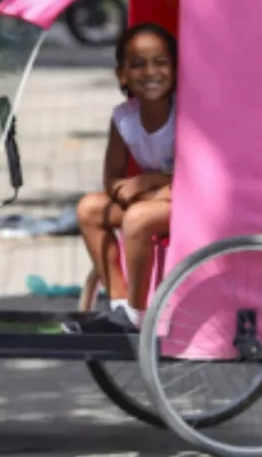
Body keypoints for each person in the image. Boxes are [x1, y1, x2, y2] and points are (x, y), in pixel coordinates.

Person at [76, 23, 177, 331]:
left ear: (175, 69)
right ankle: (120, 302)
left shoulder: (185, 111)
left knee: (137, 218)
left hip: (189, 197)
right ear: (122, 75)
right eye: (138, 64)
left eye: (160, 62)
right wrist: (132, 191)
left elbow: (196, 175)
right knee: (90, 209)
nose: (151, 72)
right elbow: (113, 179)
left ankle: (138, 313)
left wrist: (149, 183)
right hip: (154, 200)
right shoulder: (124, 117)